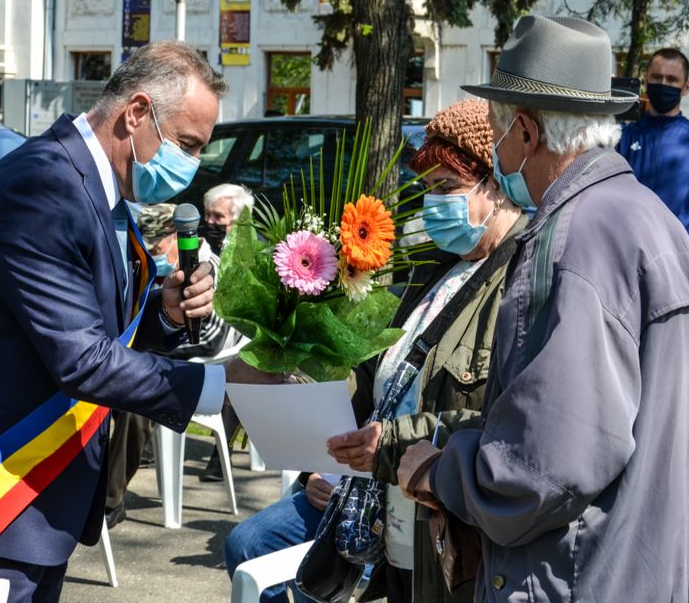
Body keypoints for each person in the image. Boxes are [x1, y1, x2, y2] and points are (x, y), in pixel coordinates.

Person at [0, 40, 275, 603]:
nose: (191, 166)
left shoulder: (93, 185)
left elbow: (95, 325)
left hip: (41, 490)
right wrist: (223, 384)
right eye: (187, 144)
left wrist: (164, 314)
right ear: (136, 112)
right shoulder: (41, 187)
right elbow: (83, 358)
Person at [396, 15, 689, 602]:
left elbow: (541, 468)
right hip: (643, 568)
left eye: (498, 132)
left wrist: (438, 470)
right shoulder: (645, 213)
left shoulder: (572, 238)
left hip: (580, 575)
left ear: (525, 131)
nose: (497, 153)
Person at [225, 99, 527, 603]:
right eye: (427, 189)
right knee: (250, 543)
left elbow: (502, 422)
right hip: (373, 499)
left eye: (446, 188)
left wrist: (387, 446)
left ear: (494, 185)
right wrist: (312, 441)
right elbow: (371, 377)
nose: (433, 204)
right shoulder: (432, 270)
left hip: (441, 520)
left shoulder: (519, 280)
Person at [105, 202, 231, 525]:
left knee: (136, 399)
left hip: (196, 356)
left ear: (176, 237)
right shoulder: (148, 268)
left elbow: (209, 337)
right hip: (148, 353)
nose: (152, 253)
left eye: (157, 246)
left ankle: (110, 499)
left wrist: (166, 335)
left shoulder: (205, 269)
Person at [617, 48, 689, 281]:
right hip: (630, 268)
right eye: (657, 78)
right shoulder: (624, 137)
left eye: (671, 79)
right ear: (646, 81)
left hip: (683, 272)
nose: (663, 84)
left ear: (686, 87)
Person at [202, 183, 254, 255]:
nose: (209, 221)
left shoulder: (259, 251)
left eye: (218, 216)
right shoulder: (196, 240)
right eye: (208, 214)